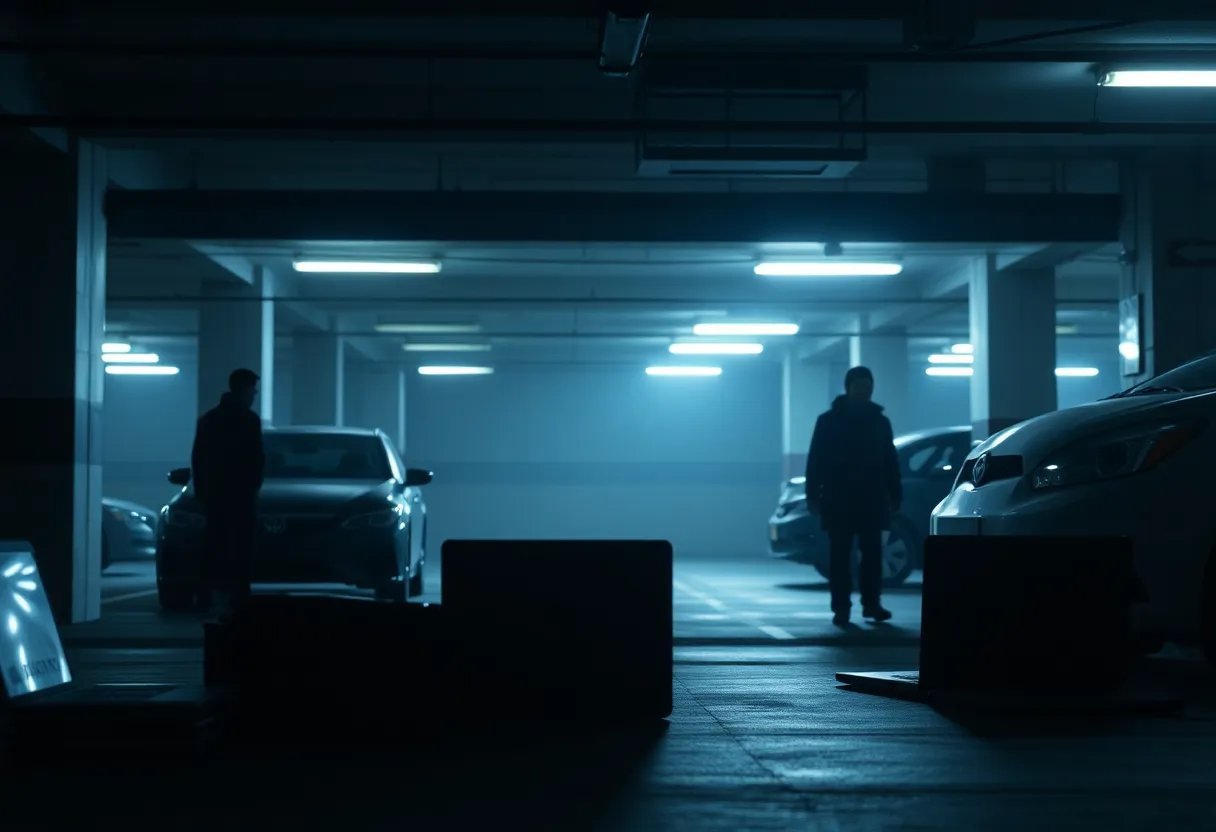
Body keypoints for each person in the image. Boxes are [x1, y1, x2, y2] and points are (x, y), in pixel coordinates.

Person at [804, 365, 902, 627]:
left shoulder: (880, 422)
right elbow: (816, 460)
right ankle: (842, 608)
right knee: (840, 556)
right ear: (848, 388)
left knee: (871, 555)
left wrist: (895, 493)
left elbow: (889, 460)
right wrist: (812, 494)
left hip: (870, 498)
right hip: (840, 499)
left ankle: (871, 604)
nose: (865, 391)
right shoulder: (828, 421)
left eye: (868, 387)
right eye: (860, 386)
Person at [191, 368, 266, 615]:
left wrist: (202, 491)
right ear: (244, 390)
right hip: (242, 494)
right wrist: (255, 487)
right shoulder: (250, 420)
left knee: (212, 544)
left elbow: (198, 458)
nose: (254, 396)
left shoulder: (209, 420)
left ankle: (204, 595)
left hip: (215, 494)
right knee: (243, 547)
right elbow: (257, 459)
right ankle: (241, 594)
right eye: (253, 391)